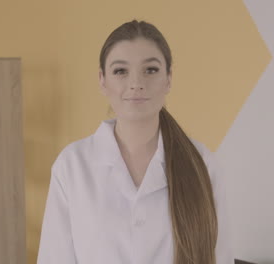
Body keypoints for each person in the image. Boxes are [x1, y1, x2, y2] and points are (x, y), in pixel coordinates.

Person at [37, 19, 233, 264]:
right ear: (102, 80)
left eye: (150, 70)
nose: (136, 83)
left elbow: (220, 257)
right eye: (121, 71)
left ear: (169, 78)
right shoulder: (72, 165)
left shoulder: (201, 162)